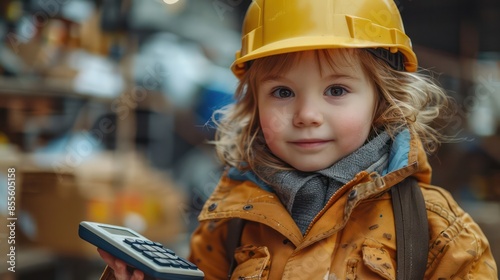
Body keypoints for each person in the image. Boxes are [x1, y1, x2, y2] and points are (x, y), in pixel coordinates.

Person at [98, 0, 498, 279]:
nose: (307, 115)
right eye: (283, 93)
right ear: (254, 103)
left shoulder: (434, 228)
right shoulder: (231, 221)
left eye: (336, 90)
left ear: (383, 98)